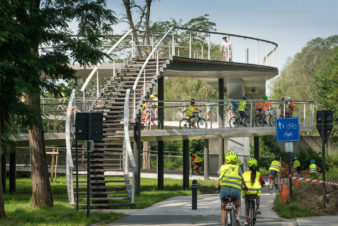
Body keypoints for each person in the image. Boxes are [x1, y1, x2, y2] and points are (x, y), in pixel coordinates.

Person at [216, 152, 247, 226]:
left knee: (223, 209)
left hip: (224, 191)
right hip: (235, 192)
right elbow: (242, 179)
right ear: (235, 160)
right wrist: (245, 186)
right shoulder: (238, 168)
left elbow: (220, 177)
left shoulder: (223, 167)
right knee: (238, 205)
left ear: (226, 159)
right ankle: (237, 217)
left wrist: (217, 187)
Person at [241, 158, 265, 225]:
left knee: (246, 205)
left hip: (246, 193)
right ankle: (257, 207)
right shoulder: (258, 174)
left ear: (248, 166)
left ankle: (246, 220)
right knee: (258, 193)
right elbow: (262, 182)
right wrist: (263, 183)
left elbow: (241, 182)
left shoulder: (244, 174)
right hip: (255, 193)